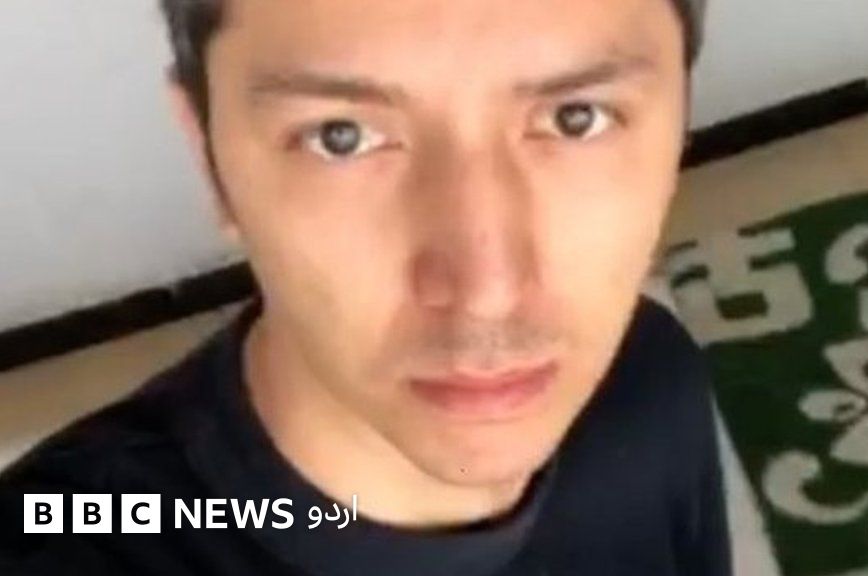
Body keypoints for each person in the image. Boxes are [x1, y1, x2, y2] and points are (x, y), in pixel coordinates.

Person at [0, 0, 730, 574]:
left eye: (577, 118)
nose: (487, 291)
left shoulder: (648, 379)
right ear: (208, 156)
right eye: (340, 136)